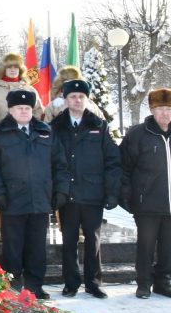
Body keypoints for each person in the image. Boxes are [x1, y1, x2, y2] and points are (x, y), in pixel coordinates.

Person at [0, 89, 69, 299]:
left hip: (40, 199)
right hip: (12, 200)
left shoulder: (46, 132)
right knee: (13, 246)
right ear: (10, 110)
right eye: (19, 108)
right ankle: (13, 286)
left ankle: (35, 286)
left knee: (37, 246)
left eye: (27, 108)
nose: (23, 111)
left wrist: (60, 191)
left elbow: (60, 165)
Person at [119, 88, 171, 299]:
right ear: (152, 110)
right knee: (146, 245)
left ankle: (163, 281)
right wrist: (125, 194)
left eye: (169, 109)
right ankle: (144, 283)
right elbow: (124, 167)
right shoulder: (138, 134)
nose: (165, 113)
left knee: (168, 246)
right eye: (160, 109)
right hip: (146, 202)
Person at [49, 79, 121, 299]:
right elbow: (51, 161)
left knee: (93, 239)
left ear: (86, 99)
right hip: (67, 195)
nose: (77, 100)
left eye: (81, 96)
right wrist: (56, 192)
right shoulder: (56, 126)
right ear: (66, 99)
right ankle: (71, 282)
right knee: (69, 240)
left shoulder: (99, 125)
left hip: (92, 193)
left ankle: (93, 282)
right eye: (73, 96)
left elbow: (112, 161)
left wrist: (111, 192)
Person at [0, 53, 44, 123]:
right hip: (0, 132)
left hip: (25, 132)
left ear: (20, 69)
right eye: (9, 67)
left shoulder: (30, 90)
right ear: (3, 69)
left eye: (16, 67)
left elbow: (39, 112)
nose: (13, 70)